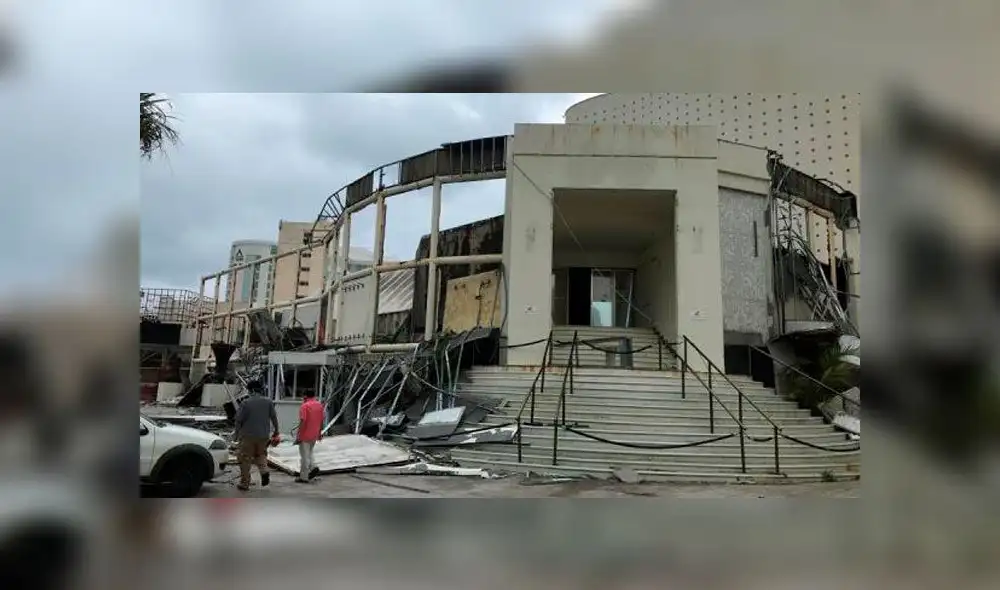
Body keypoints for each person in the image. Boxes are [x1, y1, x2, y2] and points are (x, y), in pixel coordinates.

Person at [234, 388, 279, 492]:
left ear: (252, 390)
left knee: (245, 458)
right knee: (261, 455)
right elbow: (274, 417)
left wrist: (236, 435)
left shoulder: (246, 403)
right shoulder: (268, 401)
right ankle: (264, 471)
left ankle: (245, 483)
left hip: (247, 436)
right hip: (263, 435)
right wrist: (276, 431)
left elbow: (238, 420)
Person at [294, 391, 324, 483]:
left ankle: (304, 476)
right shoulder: (319, 405)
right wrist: (319, 433)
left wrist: (299, 435)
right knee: (310, 452)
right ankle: (313, 467)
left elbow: (303, 421)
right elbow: (321, 420)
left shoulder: (305, 406)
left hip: (305, 434)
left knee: (304, 456)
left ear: (305, 396)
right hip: (314, 434)